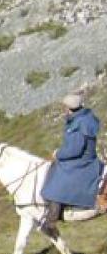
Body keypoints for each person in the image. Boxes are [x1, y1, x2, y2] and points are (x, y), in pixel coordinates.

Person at [40, 92, 104, 230]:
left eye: (64, 107)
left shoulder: (78, 124)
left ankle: (53, 217)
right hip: (87, 157)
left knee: (59, 175)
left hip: (82, 161)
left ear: (69, 108)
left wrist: (58, 154)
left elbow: (74, 150)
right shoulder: (85, 117)